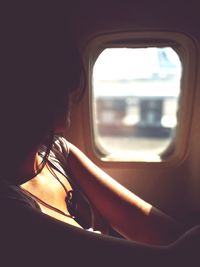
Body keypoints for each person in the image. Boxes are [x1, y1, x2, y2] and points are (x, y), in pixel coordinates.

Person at [0, 5, 199, 267]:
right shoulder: (10, 210)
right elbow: (172, 259)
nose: (72, 95)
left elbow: (140, 219)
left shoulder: (57, 152)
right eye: (63, 84)